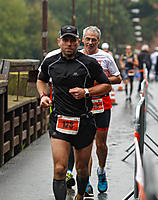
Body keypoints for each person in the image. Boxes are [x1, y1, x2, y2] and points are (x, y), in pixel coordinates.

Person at [36, 25, 111, 200]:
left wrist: (86, 92)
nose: (69, 44)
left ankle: (79, 196)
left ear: (78, 42)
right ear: (59, 42)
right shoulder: (51, 61)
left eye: (72, 40)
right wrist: (43, 95)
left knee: (82, 169)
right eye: (65, 40)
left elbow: (106, 84)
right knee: (60, 169)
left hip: (83, 121)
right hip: (60, 120)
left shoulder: (88, 63)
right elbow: (41, 80)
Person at [81, 26, 122, 195]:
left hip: (102, 105)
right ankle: (87, 180)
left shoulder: (106, 57)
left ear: (98, 41)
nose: (90, 42)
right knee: (86, 144)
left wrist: (102, 80)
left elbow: (118, 78)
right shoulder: (77, 56)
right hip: (83, 105)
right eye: (88, 39)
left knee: (100, 144)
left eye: (94, 40)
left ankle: (102, 171)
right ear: (82, 40)